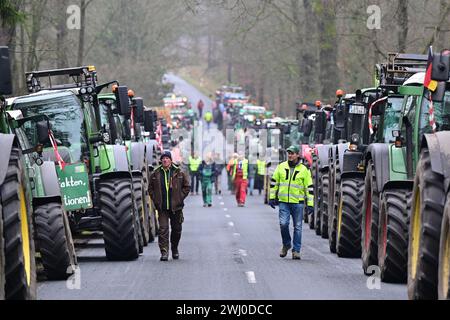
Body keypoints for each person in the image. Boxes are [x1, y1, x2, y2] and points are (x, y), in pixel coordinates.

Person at [269, 145, 314, 260]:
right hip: (283, 202)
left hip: (297, 203)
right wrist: (272, 197)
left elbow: (309, 188)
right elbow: (274, 183)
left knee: (297, 227)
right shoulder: (281, 167)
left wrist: (310, 204)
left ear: (297, 155)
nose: (290, 155)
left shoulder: (304, 170)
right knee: (283, 224)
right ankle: (286, 244)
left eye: (292, 153)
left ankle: (296, 250)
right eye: (288, 153)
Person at [149, 151, 190, 261]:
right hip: (162, 208)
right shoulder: (155, 173)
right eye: (163, 158)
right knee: (163, 229)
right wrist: (156, 201)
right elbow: (150, 189)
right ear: (161, 160)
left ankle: (174, 248)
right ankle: (164, 252)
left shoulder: (179, 172)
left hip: (176, 207)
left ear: (171, 160)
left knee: (177, 229)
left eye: (167, 158)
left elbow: (186, 187)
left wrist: (180, 198)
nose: (165, 160)